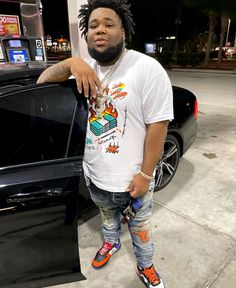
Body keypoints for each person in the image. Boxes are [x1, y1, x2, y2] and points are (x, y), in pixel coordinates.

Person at [37, 1, 173, 287]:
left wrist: (146, 174)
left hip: (133, 180)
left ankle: (145, 266)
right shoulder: (84, 69)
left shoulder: (147, 68)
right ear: (86, 35)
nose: (100, 29)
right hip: (96, 177)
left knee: (140, 227)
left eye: (109, 24)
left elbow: (158, 126)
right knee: (108, 219)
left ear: (123, 31)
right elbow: (42, 82)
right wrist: (72, 62)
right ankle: (111, 243)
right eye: (93, 25)